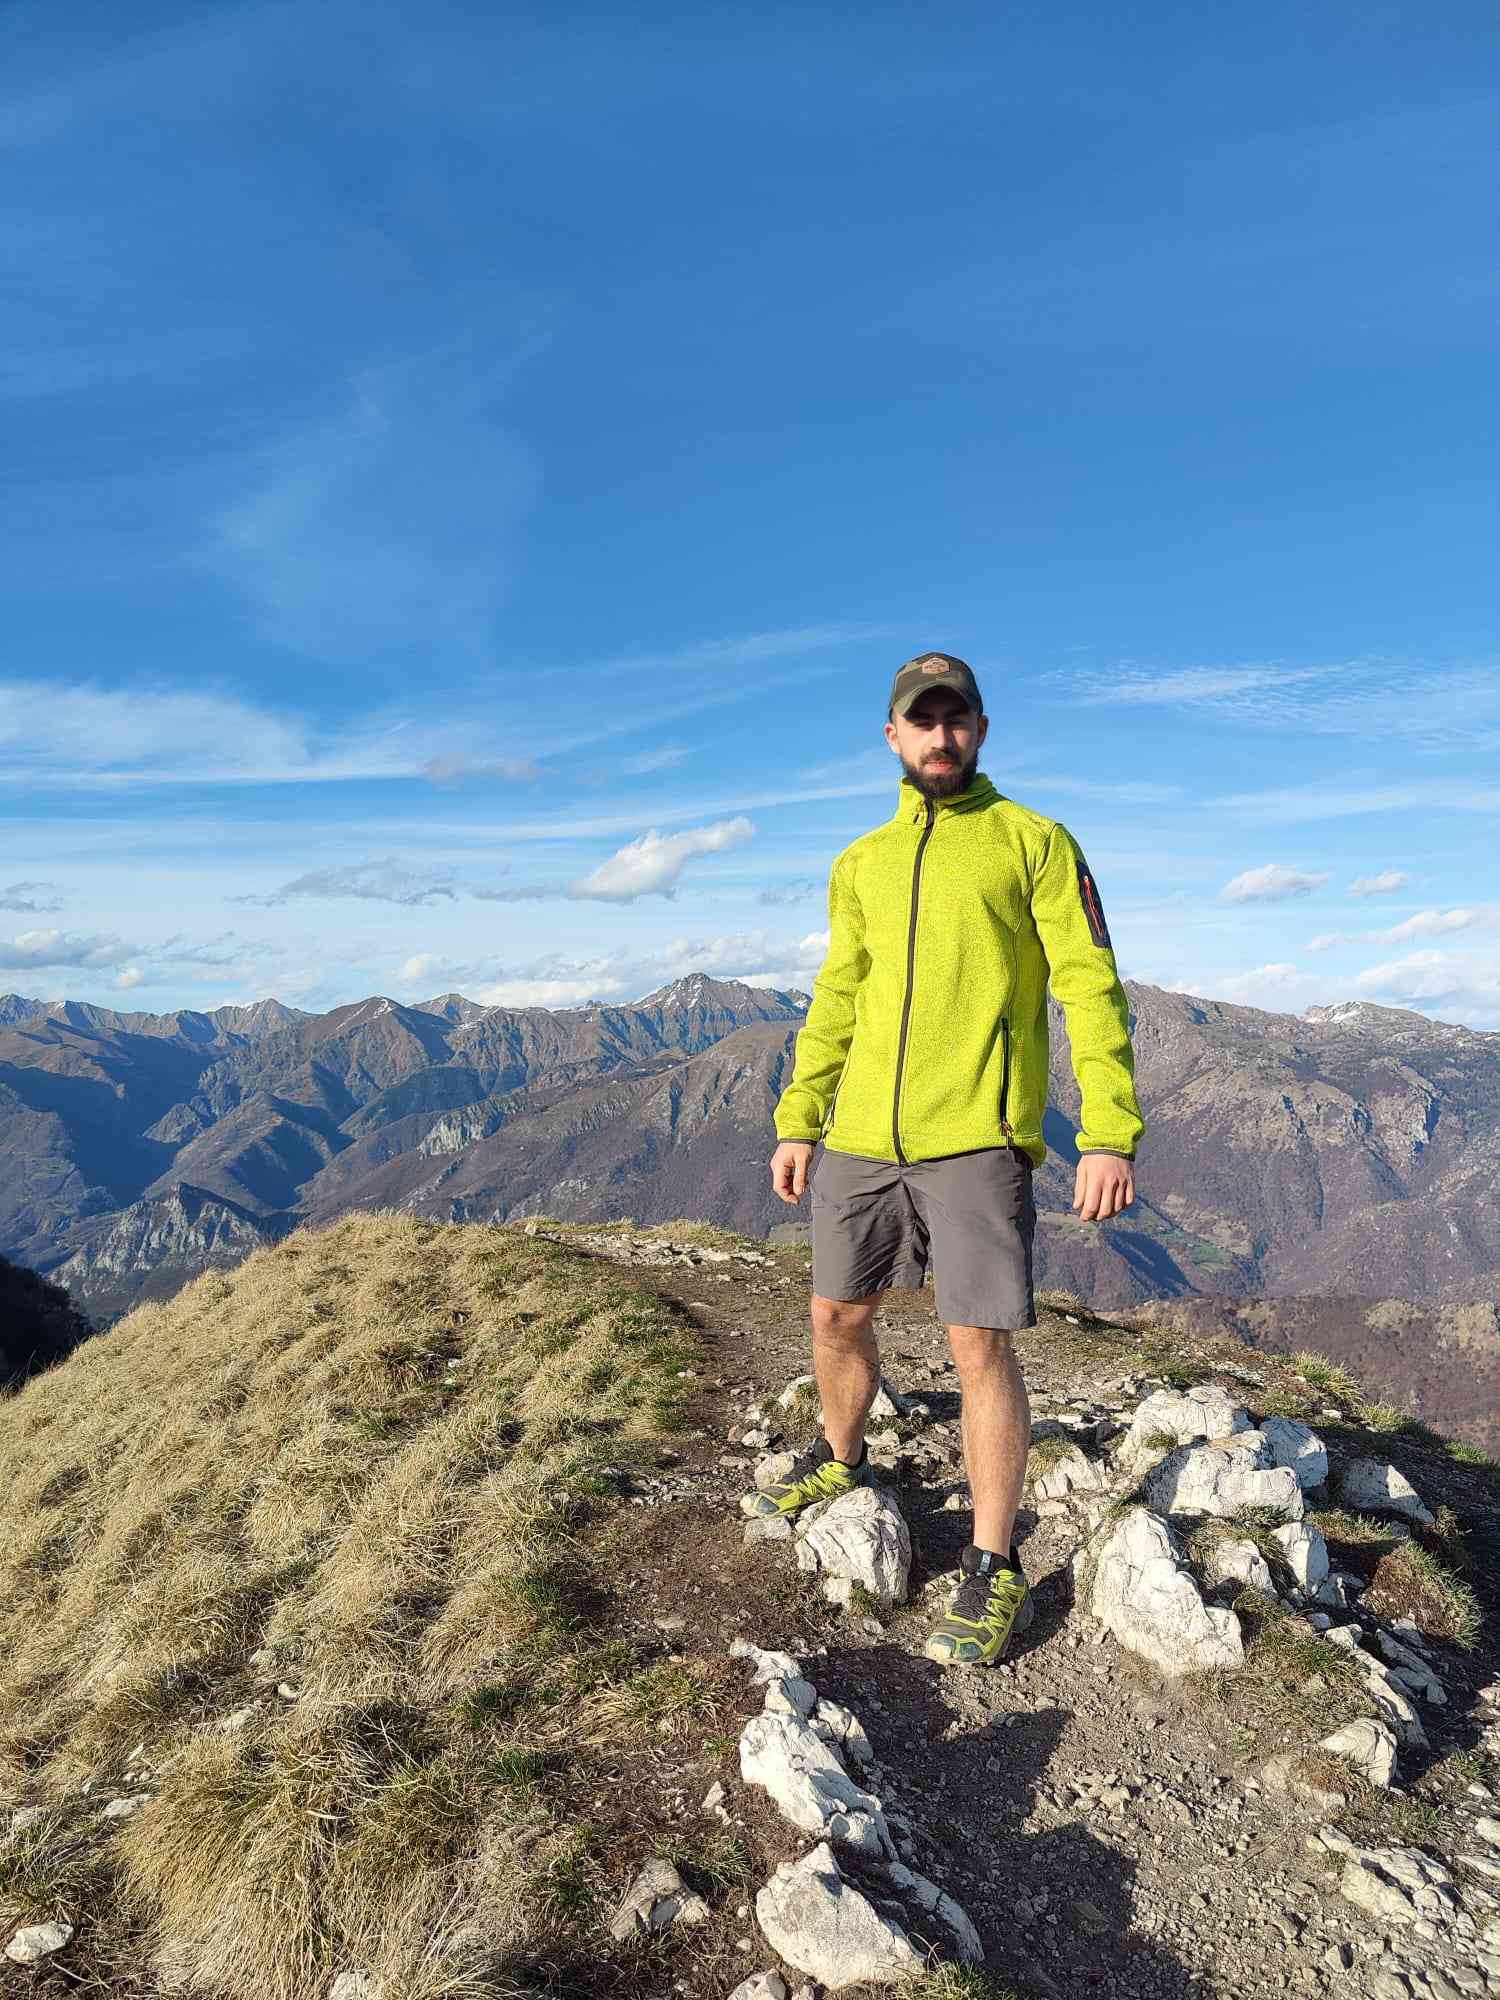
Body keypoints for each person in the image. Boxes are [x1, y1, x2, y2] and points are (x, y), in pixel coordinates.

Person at [742, 650, 1144, 1667]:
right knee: (835, 1315)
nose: (940, 735)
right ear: (892, 736)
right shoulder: (861, 863)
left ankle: (993, 1558)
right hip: (860, 1136)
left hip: (976, 1136)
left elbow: (1090, 985)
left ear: (981, 728)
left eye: (955, 717)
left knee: (978, 1346)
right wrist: (801, 1115)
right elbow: (839, 994)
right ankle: (842, 1458)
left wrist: (1107, 1131)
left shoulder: (1034, 842)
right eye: (921, 721)